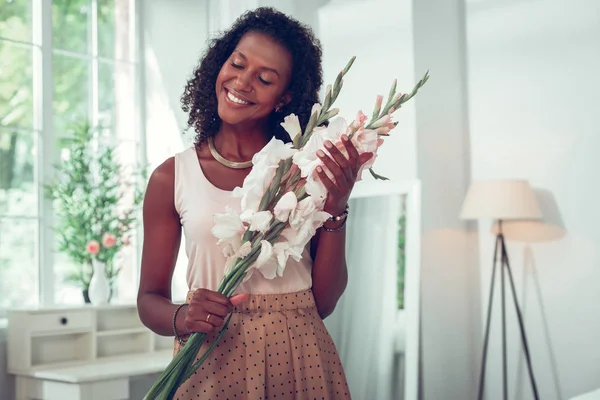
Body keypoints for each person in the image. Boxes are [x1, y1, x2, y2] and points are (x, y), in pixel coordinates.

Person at [137, 7, 373, 399]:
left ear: (286, 98)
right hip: (210, 356)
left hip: (301, 357)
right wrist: (182, 316)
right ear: (220, 64)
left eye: (264, 79)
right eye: (237, 64)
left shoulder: (304, 169)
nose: (242, 83)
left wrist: (336, 207)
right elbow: (148, 300)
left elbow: (325, 302)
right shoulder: (170, 177)